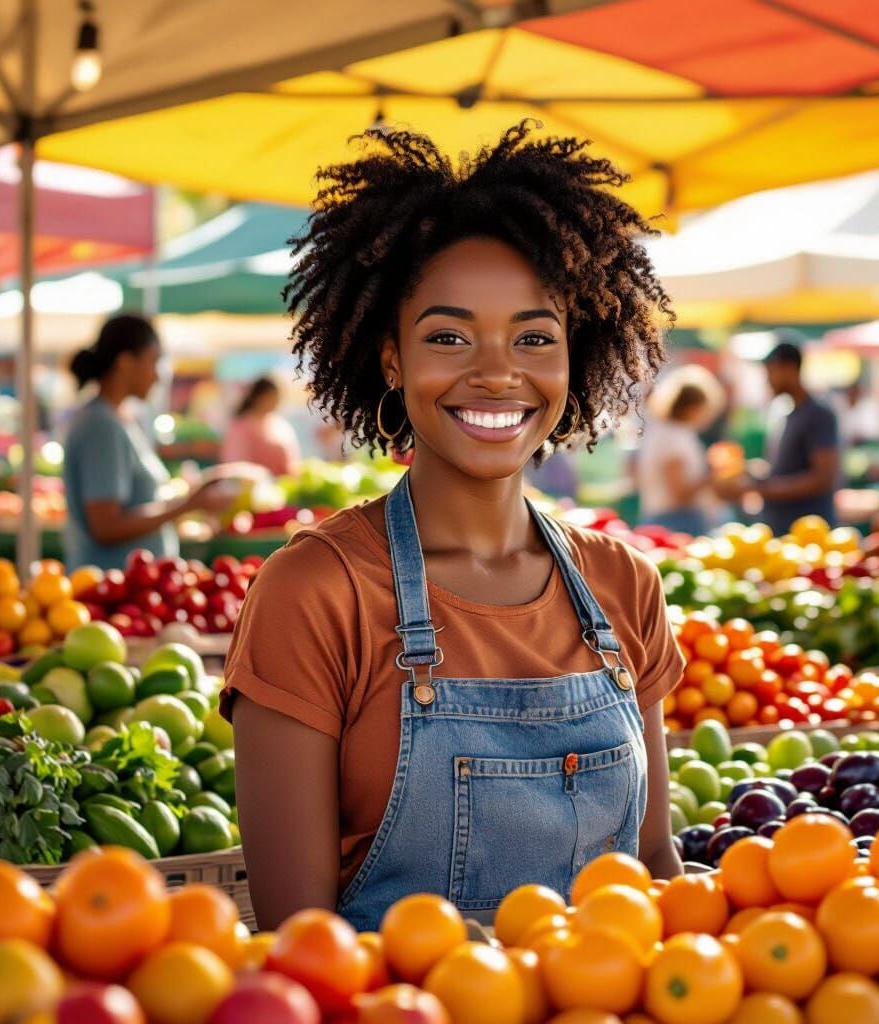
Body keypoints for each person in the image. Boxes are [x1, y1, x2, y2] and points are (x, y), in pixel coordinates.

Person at [222, 121, 686, 931]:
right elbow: (302, 946)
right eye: (449, 336)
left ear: (576, 354)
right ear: (391, 358)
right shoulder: (314, 592)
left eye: (534, 337)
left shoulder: (626, 586)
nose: (497, 371)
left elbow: (655, 873)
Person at [63, 315, 229, 571]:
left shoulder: (118, 419)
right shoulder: (101, 425)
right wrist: (187, 505)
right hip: (112, 591)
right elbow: (106, 526)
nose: (158, 375)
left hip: (133, 590)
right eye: (154, 361)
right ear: (125, 362)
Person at [741, 341, 840, 534]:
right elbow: (786, 470)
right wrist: (756, 474)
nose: (768, 380)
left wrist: (761, 489)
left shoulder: (818, 415)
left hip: (808, 534)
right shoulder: (784, 413)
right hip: (781, 529)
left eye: (771, 372)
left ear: (790, 369)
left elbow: (823, 478)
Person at [636, 365, 725, 535]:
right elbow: (678, 495)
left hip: (664, 518)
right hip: (677, 522)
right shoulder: (674, 438)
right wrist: (711, 475)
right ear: (693, 407)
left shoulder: (663, 431)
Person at [222, 376, 301, 476]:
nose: (275, 401)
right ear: (258, 397)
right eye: (271, 397)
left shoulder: (280, 424)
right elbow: (236, 464)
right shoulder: (241, 426)